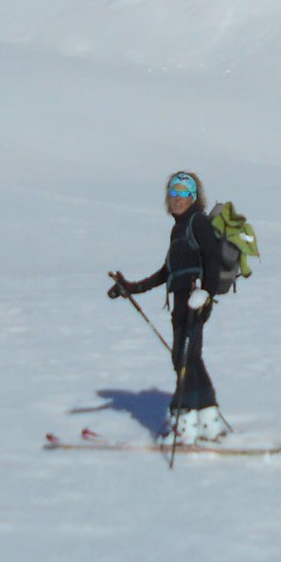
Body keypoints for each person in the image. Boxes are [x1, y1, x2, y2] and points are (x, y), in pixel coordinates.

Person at [107, 170, 229, 445]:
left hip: (194, 300)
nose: (177, 199)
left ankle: (184, 424)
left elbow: (212, 258)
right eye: (173, 193)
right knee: (188, 359)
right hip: (181, 303)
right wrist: (131, 287)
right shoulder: (179, 228)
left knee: (184, 359)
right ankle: (208, 420)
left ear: (194, 197)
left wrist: (206, 295)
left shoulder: (197, 222)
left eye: (184, 193)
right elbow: (168, 272)